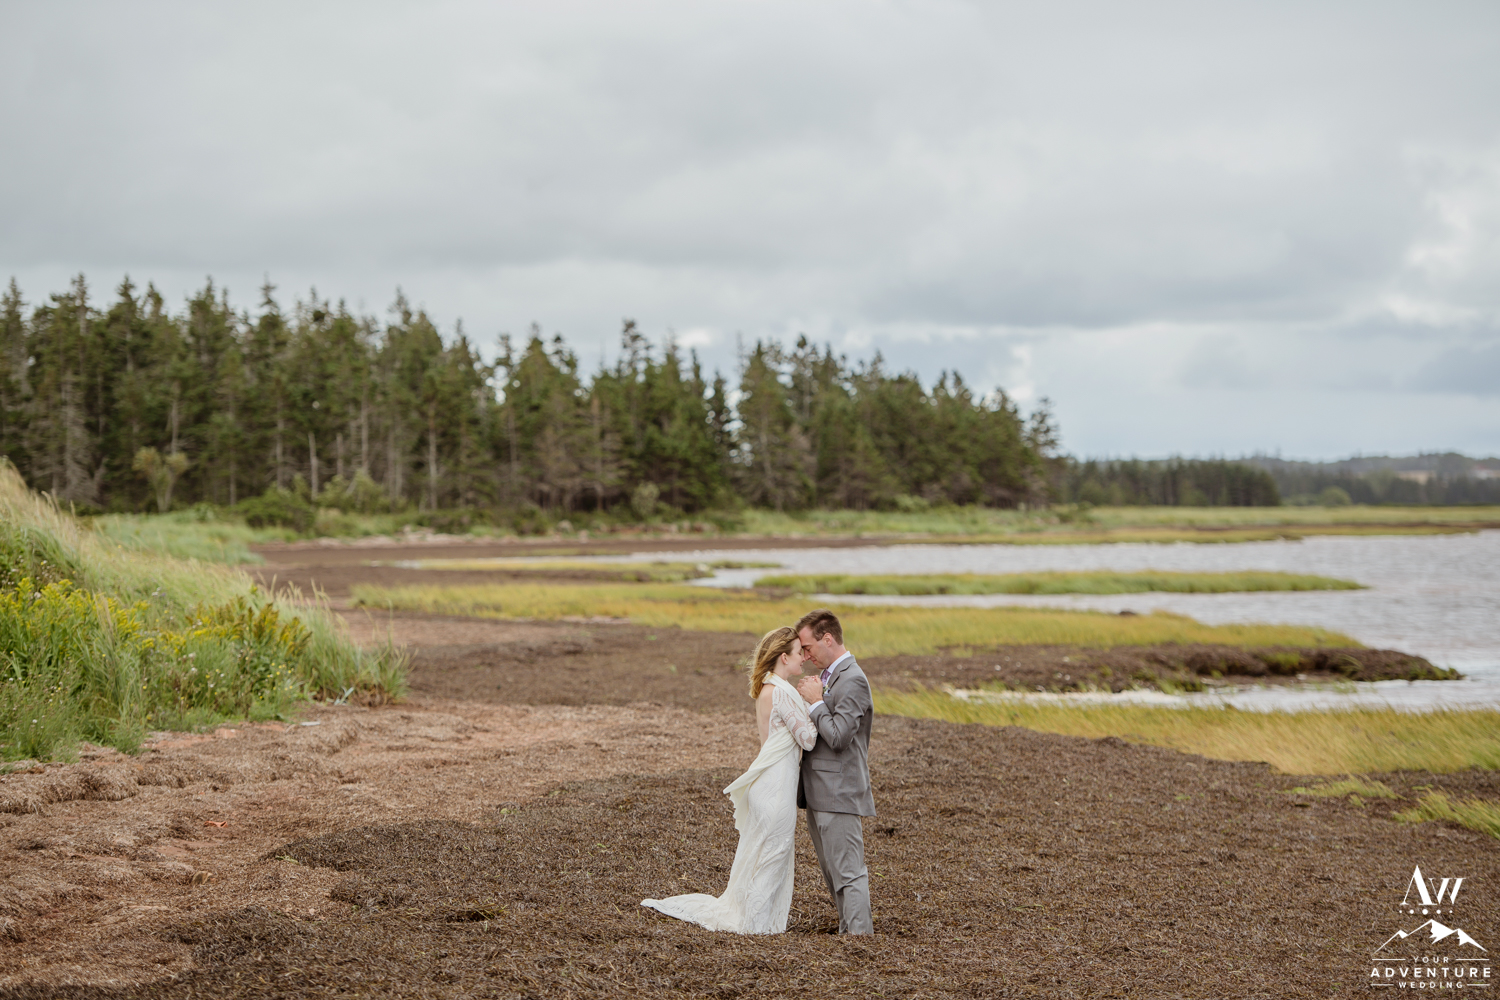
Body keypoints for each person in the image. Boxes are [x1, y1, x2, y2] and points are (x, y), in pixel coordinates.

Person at [640, 626, 819, 933]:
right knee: (772, 855)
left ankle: (756, 920)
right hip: (775, 788)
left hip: (770, 784)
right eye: (798, 652)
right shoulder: (782, 693)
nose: (804, 657)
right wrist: (817, 702)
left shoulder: (769, 689)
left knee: (762, 854)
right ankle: (755, 925)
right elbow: (809, 740)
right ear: (782, 657)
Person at [794, 608, 875, 935]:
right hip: (819, 791)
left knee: (849, 873)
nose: (806, 654)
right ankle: (848, 932)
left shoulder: (853, 679)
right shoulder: (830, 677)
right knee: (833, 872)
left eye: (808, 646)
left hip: (840, 790)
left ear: (828, 639)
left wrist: (815, 703)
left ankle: (859, 941)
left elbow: (840, 737)